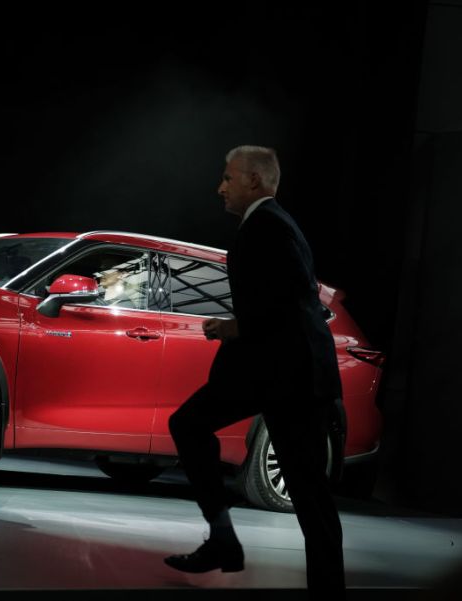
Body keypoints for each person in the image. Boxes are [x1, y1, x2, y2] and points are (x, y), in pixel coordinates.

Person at [164, 145, 345, 598]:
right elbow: (278, 302)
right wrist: (239, 328)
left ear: (254, 181)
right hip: (272, 371)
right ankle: (223, 539)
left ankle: (326, 589)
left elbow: (290, 307)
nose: (220, 186)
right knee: (189, 424)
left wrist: (233, 327)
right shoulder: (266, 226)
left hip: (293, 377)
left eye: (228, 177)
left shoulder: (270, 228)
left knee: (310, 494)